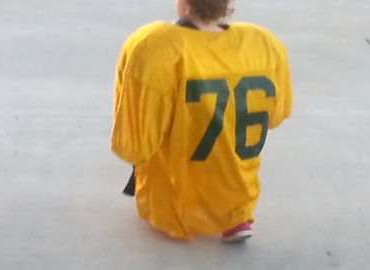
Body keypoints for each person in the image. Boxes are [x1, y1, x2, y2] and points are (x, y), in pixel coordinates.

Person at [111, 0, 293, 242]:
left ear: (186, 7)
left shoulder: (159, 45)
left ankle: (178, 215)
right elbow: (277, 113)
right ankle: (235, 219)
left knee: (172, 163)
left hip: (182, 171)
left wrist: (135, 150)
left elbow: (140, 130)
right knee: (231, 176)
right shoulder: (263, 44)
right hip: (237, 172)